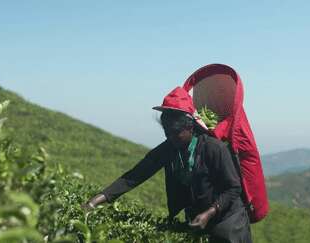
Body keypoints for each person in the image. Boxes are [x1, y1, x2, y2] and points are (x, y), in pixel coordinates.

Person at [82, 87, 252, 243]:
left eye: (176, 133)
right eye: (167, 133)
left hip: (229, 222)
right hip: (199, 219)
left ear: (190, 128)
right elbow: (135, 175)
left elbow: (233, 188)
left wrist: (210, 212)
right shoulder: (169, 147)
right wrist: (95, 201)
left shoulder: (214, 148)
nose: (170, 138)